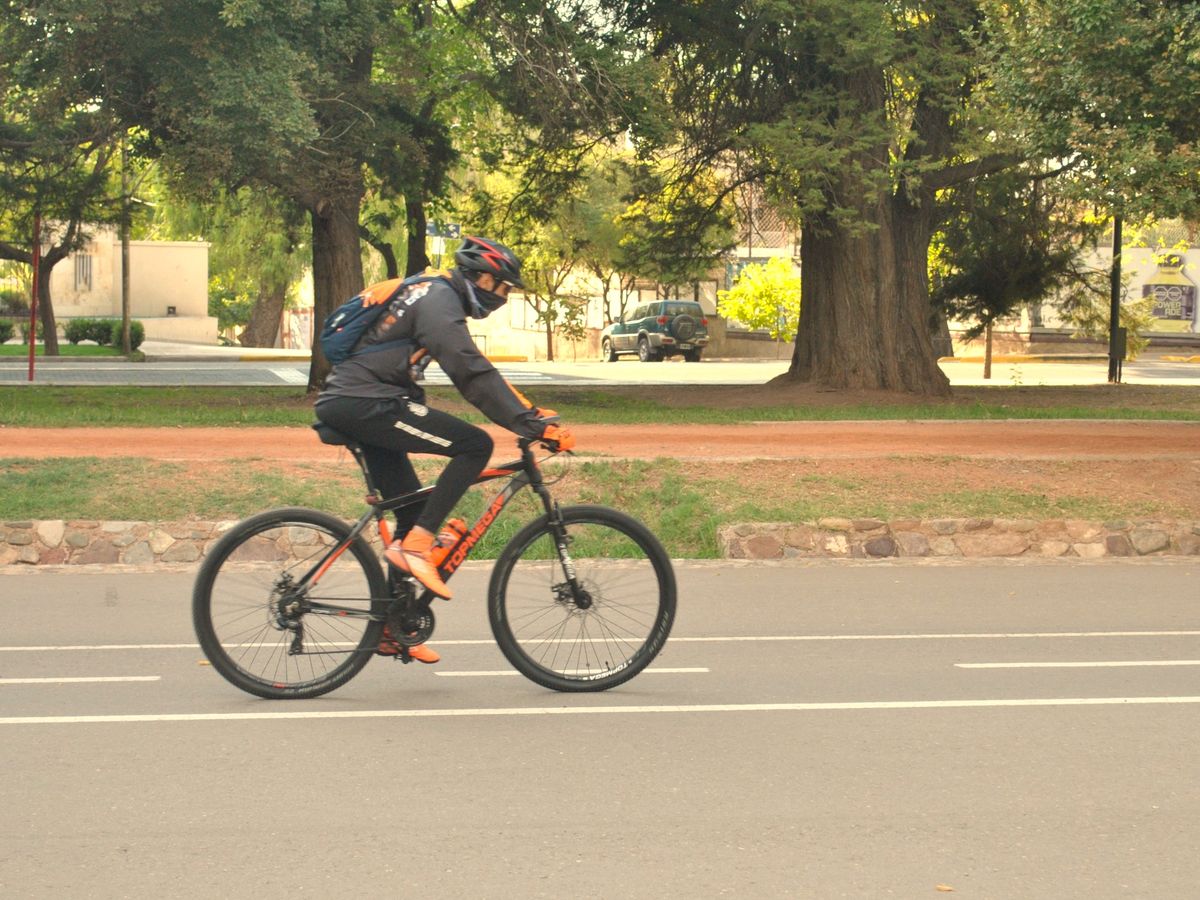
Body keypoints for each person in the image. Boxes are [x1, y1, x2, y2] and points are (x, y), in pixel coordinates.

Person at [314, 236, 573, 663]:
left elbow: (465, 368)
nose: (503, 299)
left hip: (364, 402)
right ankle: (418, 545)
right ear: (485, 277)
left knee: (412, 510)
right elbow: (469, 371)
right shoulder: (439, 299)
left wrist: (526, 415)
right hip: (367, 404)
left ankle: (389, 629)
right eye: (504, 288)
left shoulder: (432, 292)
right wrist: (529, 421)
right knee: (475, 445)